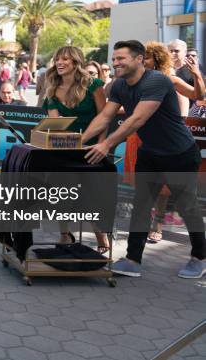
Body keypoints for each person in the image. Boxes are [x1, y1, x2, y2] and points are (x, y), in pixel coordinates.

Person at [83, 40, 205, 279]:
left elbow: (136, 120)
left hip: (179, 154)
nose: (115, 63)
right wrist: (80, 142)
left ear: (139, 60)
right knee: (141, 206)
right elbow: (105, 116)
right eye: (114, 58)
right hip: (150, 153)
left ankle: (200, 257)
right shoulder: (119, 85)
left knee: (187, 206)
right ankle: (132, 259)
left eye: (121, 59)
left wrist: (106, 144)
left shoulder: (157, 81)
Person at [130, 42, 205, 243]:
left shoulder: (168, 80)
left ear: (157, 60)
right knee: (143, 195)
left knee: (177, 197)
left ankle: (196, 250)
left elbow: (197, 95)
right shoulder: (133, 82)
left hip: (175, 146)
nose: (141, 61)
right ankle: (134, 253)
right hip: (146, 143)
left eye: (145, 57)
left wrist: (197, 74)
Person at [43, 46, 109, 252]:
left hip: (91, 149)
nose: (60, 63)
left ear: (76, 62)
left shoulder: (94, 85)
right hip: (64, 148)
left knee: (92, 197)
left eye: (65, 59)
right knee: (60, 194)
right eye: (57, 59)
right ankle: (65, 234)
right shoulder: (52, 89)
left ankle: (102, 240)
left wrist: (102, 145)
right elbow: (55, 124)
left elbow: (103, 118)